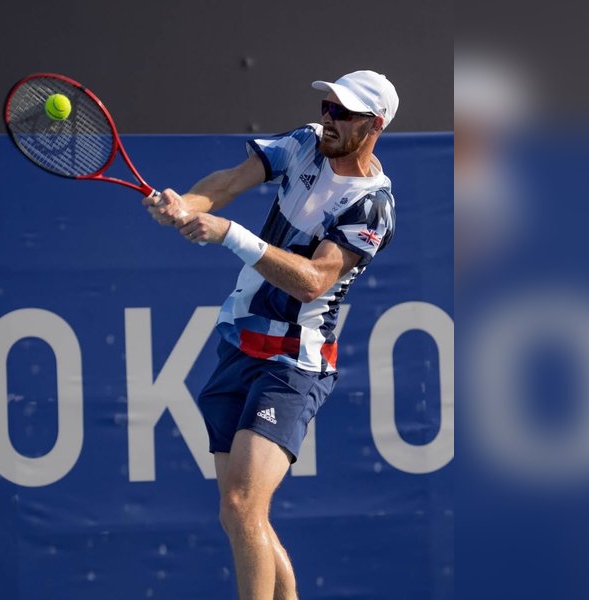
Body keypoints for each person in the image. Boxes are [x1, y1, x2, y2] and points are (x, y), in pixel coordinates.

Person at [143, 70, 399, 600]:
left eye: (342, 113)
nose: (328, 118)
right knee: (240, 516)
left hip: (292, 362)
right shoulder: (305, 142)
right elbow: (232, 181)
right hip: (238, 344)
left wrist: (230, 234)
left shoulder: (372, 206)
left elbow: (312, 281)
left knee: (242, 506)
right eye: (327, 106)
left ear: (373, 126)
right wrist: (189, 204)